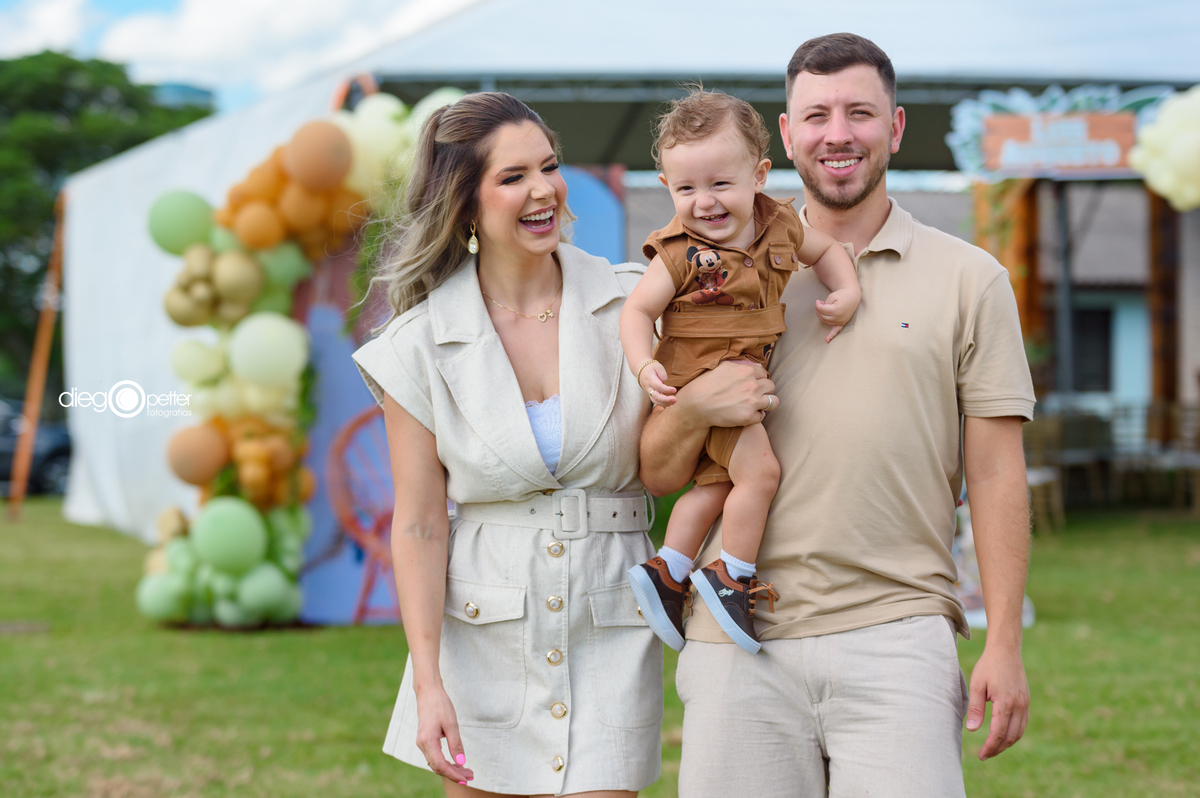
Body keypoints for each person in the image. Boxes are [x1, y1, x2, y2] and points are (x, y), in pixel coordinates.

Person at [639, 34, 1035, 797]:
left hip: (899, 632)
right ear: (786, 137)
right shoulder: (704, 270)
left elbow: (993, 472)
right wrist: (693, 405)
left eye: (860, 112)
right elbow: (656, 471)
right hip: (736, 640)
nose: (837, 133)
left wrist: (1006, 643)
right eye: (815, 114)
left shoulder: (970, 279)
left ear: (895, 127)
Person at [351, 92, 662, 798]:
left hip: (611, 615)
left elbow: (669, 461)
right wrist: (429, 684)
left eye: (548, 167)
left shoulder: (633, 304)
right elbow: (422, 523)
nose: (543, 189)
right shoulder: (416, 346)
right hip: (480, 639)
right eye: (512, 176)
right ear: (465, 203)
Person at [619, 88, 859, 655]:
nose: (705, 202)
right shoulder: (678, 252)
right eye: (686, 188)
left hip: (741, 383)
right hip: (707, 379)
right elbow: (638, 311)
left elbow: (826, 251)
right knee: (762, 476)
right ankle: (732, 576)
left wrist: (846, 289)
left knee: (719, 483)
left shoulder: (780, 226)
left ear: (759, 175)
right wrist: (642, 362)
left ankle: (669, 570)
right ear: (666, 189)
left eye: (721, 183)